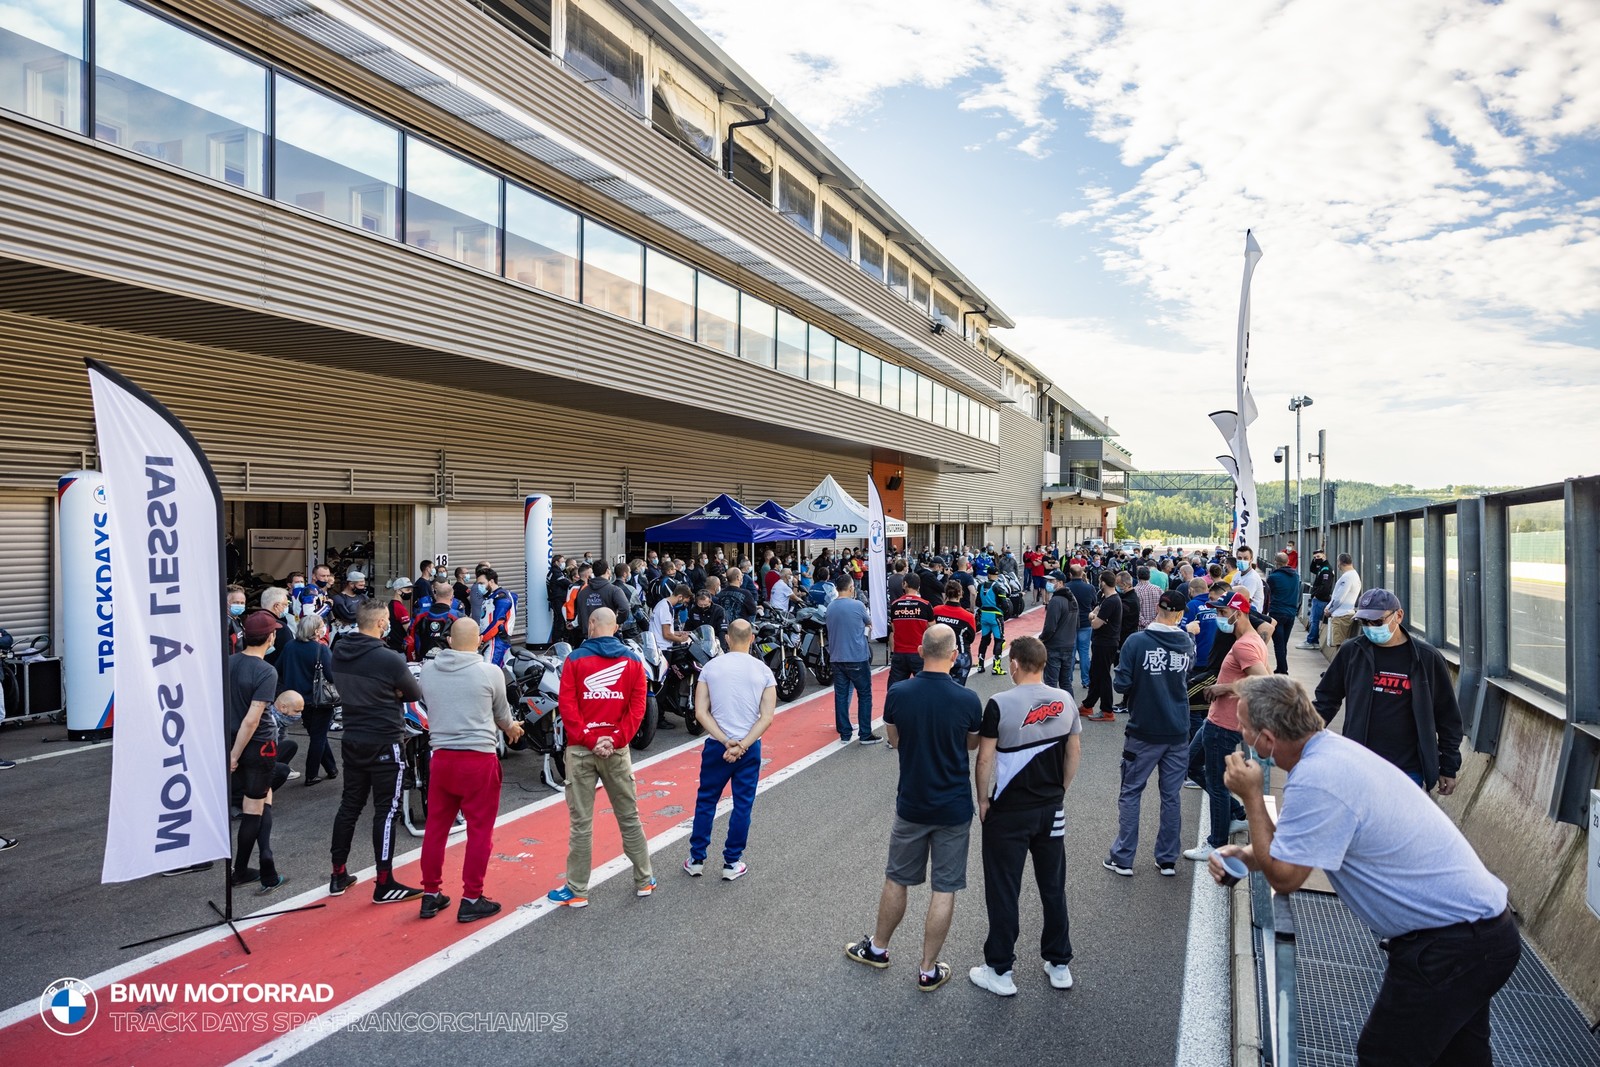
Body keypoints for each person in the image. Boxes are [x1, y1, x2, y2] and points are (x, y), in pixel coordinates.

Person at [1211, 675, 1517, 1066]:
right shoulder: (1331, 753)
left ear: (1267, 740)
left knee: (1384, 1055)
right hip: (1484, 935)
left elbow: (1286, 876)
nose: (1239, 732)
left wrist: (1252, 796)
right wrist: (1248, 854)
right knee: (1460, 1057)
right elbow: (1297, 847)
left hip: (1451, 946)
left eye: (1244, 727)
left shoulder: (1318, 780)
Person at [845, 625, 980, 992]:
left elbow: (894, 739)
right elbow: (971, 745)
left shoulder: (899, 693)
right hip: (953, 805)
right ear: (955, 656)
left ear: (921, 650)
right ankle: (927, 969)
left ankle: (878, 948)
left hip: (912, 802)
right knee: (945, 887)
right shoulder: (968, 700)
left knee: (897, 877)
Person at [969, 636, 1082, 997]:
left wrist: (983, 800)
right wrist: (1059, 791)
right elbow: (1073, 753)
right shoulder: (1065, 700)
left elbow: (984, 759)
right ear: (1044, 663)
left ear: (1014, 663)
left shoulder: (999, 703)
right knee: (1053, 885)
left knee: (1004, 888)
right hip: (1051, 808)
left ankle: (1000, 969)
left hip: (1008, 811)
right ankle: (1059, 962)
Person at [547, 608, 655, 907]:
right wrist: (616, 739)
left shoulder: (574, 659)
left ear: (592, 625)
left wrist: (590, 738)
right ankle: (644, 880)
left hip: (581, 750)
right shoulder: (633, 660)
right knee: (629, 817)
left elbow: (567, 707)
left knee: (581, 822)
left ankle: (577, 889)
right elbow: (637, 709)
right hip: (616, 750)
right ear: (616, 627)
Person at [417, 618, 522, 923]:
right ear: (479, 641)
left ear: (449, 641)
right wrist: (513, 729)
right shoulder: (490, 672)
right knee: (479, 831)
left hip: (442, 758)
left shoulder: (429, 669)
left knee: (436, 829)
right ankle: (472, 896)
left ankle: (430, 893)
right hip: (478, 759)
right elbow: (503, 716)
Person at [1313, 589, 1463, 793]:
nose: (1369, 628)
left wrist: (1449, 766)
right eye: (1364, 622)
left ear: (1398, 616)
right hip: (1359, 765)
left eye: (1376, 622)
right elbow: (1326, 700)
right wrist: (1303, 738)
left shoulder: (1427, 659)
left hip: (1408, 771)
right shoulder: (1351, 652)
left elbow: (1447, 717)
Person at [328, 600, 426, 903]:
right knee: (386, 810)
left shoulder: (340, 651)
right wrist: (392, 690)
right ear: (383, 622)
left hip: (353, 737)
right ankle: (384, 882)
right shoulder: (389, 659)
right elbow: (413, 693)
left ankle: (338, 873)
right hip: (384, 737)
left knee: (350, 806)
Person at [1105, 590, 1196, 877]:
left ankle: (1124, 857)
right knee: (1171, 796)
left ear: (1157, 607)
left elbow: (1120, 684)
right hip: (1178, 729)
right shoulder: (1186, 643)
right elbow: (1187, 675)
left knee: (1131, 792)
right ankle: (1167, 858)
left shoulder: (1137, 642)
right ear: (1181, 614)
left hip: (1143, 729)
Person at [685, 619, 777, 881]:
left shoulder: (710, 668)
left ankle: (696, 859)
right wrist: (743, 744)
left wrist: (725, 741)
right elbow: (767, 717)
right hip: (748, 747)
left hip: (717, 745)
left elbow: (701, 712)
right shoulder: (763, 671)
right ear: (752, 638)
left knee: (706, 801)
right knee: (742, 805)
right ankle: (731, 861)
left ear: (727, 638)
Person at [1183, 592, 1269, 863]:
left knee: (1216, 782)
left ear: (1238, 613)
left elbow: (1264, 682)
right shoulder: (1250, 640)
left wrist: (1224, 687)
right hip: (1217, 719)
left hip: (1224, 723)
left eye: (1222, 612)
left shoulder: (1244, 645)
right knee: (1191, 764)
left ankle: (1216, 842)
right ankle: (1234, 814)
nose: (1219, 617)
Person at [227, 611, 300, 894]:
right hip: (258, 746)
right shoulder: (265, 671)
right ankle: (256, 865)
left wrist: (231, 751)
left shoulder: (230, 663)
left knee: (260, 801)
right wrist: (235, 754)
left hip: (234, 740)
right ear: (270, 637)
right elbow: (253, 718)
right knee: (255, 806)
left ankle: (254, 865)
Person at [280, 614, 340, 784]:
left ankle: (331, 768)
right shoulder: (321, 649)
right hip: (319, 700)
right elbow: (331, 675)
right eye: (322, 626)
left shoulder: (289, 646)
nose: (324, 628)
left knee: (317, 734)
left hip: (297, 700)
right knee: (318, 736)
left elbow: (279, 668)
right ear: (316, 630)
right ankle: (311, 774)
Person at [826, 572, 878, 744]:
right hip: (856, 656)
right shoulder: (857, 605)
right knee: (864, 694)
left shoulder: (831, 607)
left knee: (840, 695)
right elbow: (869, 623)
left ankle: (845, 733)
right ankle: (865, 734)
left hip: (836, 657)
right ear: (851, 588)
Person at [1082, 571, 1123, 722]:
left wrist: (1094, 617)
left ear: (1103, 582)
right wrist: (1094, 616)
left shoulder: (1111, 601)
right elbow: (1093, 614)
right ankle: (1088, 704)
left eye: (1100, 580)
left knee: (1103, 676)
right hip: (1103, 642)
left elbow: (1095, 623)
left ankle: (1106, 710)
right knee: (1096, 674)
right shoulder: (1107, 599)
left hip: (1106, 643)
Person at [887, 572, 935, 689]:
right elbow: (933, 630)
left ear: (905, 584)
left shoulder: (895, 604)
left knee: (894, 690)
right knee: (924, 689)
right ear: (918, 586)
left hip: (900, 653)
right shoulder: (925, 605)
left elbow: (894, 628)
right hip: (919, 652)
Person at [1038, 570, 1079, 691]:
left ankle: (1053, 709)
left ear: (1060, 583)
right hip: (1069, 644)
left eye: (1051, 581)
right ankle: (1069, 708)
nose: (1048, 583)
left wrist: (1041, 639)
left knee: (1051, 684)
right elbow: (1077, 624)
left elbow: (1050, 627)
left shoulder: (1056, 601)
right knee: (1066, 683)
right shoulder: (1072, 599)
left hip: (1054, 646)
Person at [933, 581, 978, 686]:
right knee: (957, 690)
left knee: (939, 689)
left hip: (940, 655)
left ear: (946, 593)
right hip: (961, 655)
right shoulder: (968, 616)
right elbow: (971, 638)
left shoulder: (936, 611)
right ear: (961, 594)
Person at [1264, 551, 1302, 674]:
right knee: (1283, 643)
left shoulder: (1273, 577)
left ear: (1276, 563)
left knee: (1278, 644)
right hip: (1291, 613)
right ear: (1287, 562)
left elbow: (1268, 594)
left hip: (1277, 613)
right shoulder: (1296, 576)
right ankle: (1281, 667)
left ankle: (1283, 669)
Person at [410, 577, 463, 661]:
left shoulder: (419, 614)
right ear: (452, 597)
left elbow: (410, 639)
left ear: (435, 594)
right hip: (449, 663)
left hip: (423, 663)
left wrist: (413, 660)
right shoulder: (458, 617)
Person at [1065, 565, 1096, 690]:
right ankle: (1086, 680)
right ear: (1082, 573)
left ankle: (1068, 679)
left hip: (1070, 623)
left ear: (1070, 574)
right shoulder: (1089, 587)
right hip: (1085, 622)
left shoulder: (1066, 587)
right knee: (1084, 653)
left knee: (1071, 653)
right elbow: (1094, 602)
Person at [477, 568, 515, 667]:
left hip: (497, 641)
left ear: (491, 581)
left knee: (488, 673)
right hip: (489, 640)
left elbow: (497, 623)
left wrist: (481, 639)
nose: (479, 586)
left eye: (482, 583)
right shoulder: (491, 596)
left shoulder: (502, 597)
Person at [972, 571, 1009, 676]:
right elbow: (1005, 605)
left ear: (988, 575)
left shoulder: (980, 586)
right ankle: (996, 668)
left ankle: (980, 665)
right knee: (999, 641)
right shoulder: (998, 587)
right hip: (996, 616)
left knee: (984, 640)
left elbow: (978, 602)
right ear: (997, 575)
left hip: (984, 615)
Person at [1326, 553, 1363, 647]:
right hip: (1347, 613)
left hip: (1341, 616)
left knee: (1339, 646)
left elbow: (1338, 598)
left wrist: (1329, 610)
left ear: (1340, 563)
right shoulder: (1355, 575)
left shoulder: (1347, 577)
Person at [1301, 548, 1334, 649]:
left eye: (1318, 557)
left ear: (1324, 556)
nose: (1316, 559)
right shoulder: (1322, 567)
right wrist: (1314, 560)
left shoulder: (1326, 570)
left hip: (1320, 599)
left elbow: (1325, 586)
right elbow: (1312, 569)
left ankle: (1311, 641)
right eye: (1315, 557)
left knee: (1314, 620)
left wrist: (1316, 595)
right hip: (1319, 598)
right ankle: (1313, 640)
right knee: (1314, 620)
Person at [330, 568, 369, 640]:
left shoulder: (363, 597)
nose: (363, 588)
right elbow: (348, 616)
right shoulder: (338, 599)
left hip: (362, 634)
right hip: (344, 636)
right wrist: (367, 614)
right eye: (360, 585)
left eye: (363, 585)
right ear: (351, 584)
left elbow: (373, 610)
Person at [384, 577, 413, 659]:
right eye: (407, 590)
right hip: (398, 649)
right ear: (398, 590)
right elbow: (409, 629)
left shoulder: (391, 604)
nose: (410, 592)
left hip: (391, 646)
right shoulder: (399, 608)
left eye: (411, 590)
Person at [1231, 545, 1264, 612]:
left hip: (1251, 614)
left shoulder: (1252, 578)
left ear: (1251, 559)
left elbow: (1244, 600)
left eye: (1245, 558)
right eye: (1239, 558)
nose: (1242, 561)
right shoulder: (1237, 575)